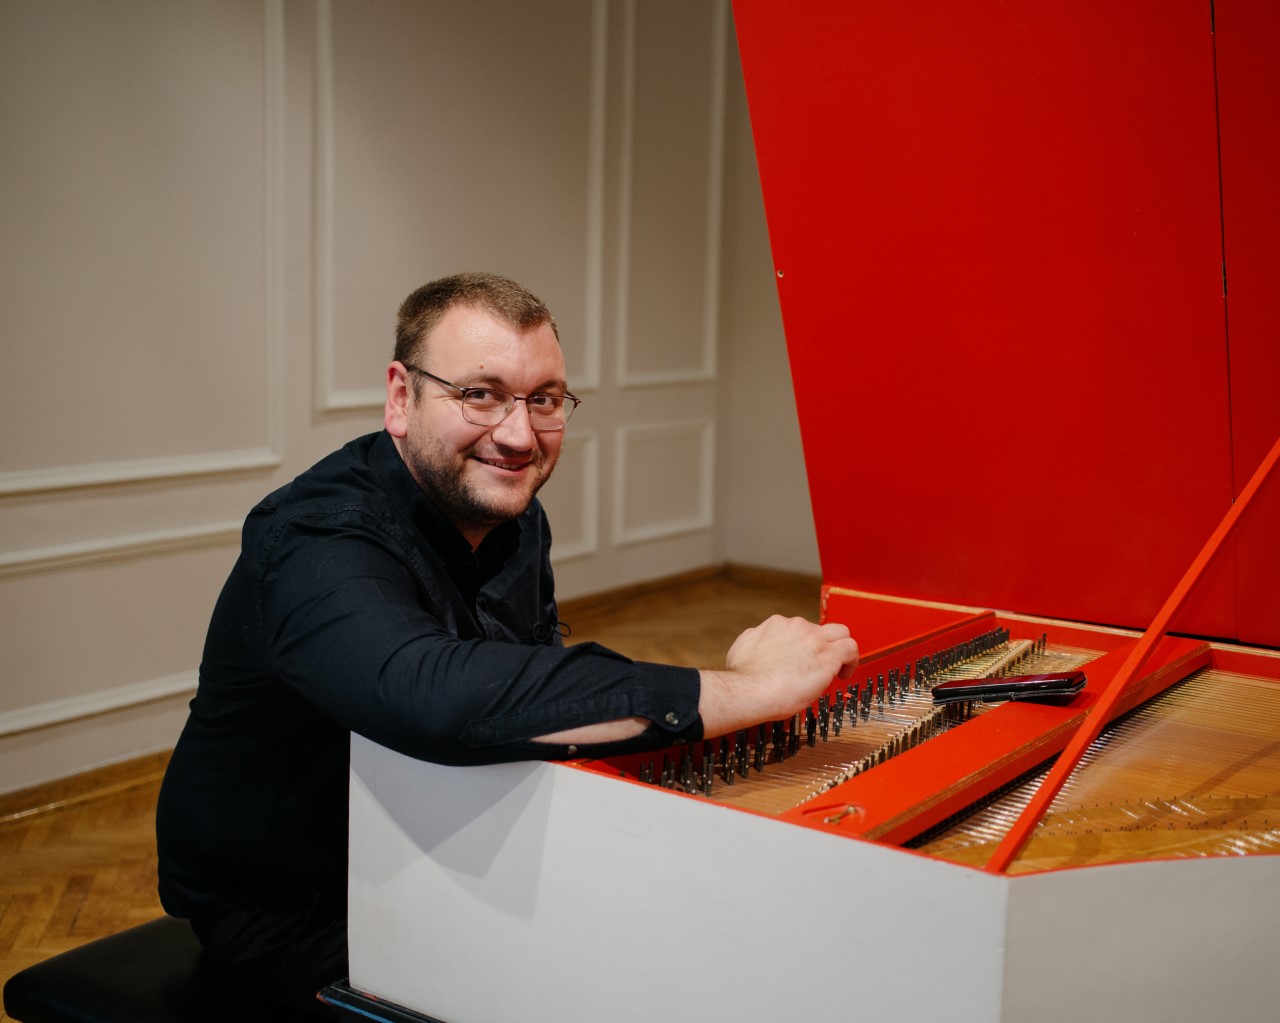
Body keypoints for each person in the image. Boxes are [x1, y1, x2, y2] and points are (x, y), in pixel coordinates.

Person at [156, 272, 858, 1017]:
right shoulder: (316, 535)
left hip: (444, 850)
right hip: (302, 908)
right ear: (401, 397)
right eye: (480, 394)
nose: (520, 435)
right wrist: (746, 690)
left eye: (544, 399)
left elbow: (522, 680)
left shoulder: (513, 517)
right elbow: (433, 696)